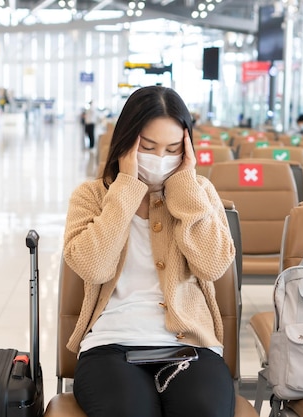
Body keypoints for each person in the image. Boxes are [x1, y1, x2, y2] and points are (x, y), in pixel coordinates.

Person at [63, 85, 237, 417]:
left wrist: (184, 186)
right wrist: (127, 188)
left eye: (173, 149)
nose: (159, 158)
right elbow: (93, 267)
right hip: (110, 344)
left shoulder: (199, 192)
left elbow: (212, 265)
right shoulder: (91, 195)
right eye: (147, 146)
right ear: (126, 142)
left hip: (191, 346)